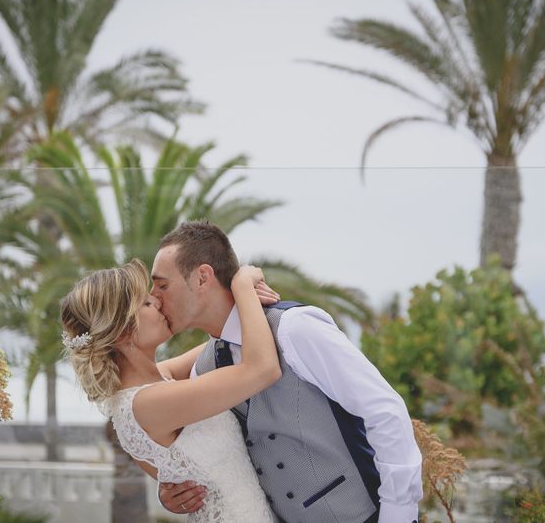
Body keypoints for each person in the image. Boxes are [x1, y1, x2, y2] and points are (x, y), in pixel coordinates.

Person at [150, 221, 423, 523]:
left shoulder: (294, 329)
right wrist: (172, 489)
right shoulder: (204, 368)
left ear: (203, 277)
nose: (154, 298)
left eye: (162, 285)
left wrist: (397, 516)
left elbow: (385, 411)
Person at [60, 258, 283, 522]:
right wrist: (243, 283)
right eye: (145, 303)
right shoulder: (148, 403)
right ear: (122, 333)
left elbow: (225, 341)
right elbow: (262, 369)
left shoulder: (153, 383)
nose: (157, 301)